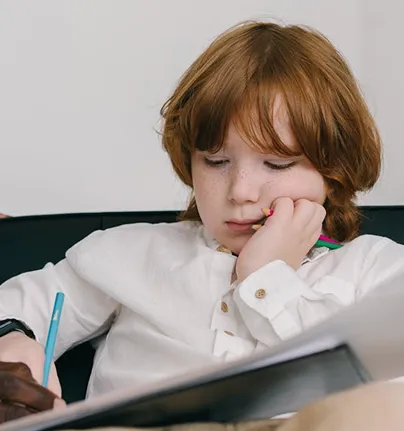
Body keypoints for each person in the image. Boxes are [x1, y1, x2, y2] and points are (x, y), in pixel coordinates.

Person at [0, 20, 403, 427]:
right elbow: (19, 308)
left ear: (333, 170)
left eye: (277, 164)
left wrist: (266, 277)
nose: (241, 191)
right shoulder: (130, 253)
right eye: (215, 161)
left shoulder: (375, 268)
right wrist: (13, 335)